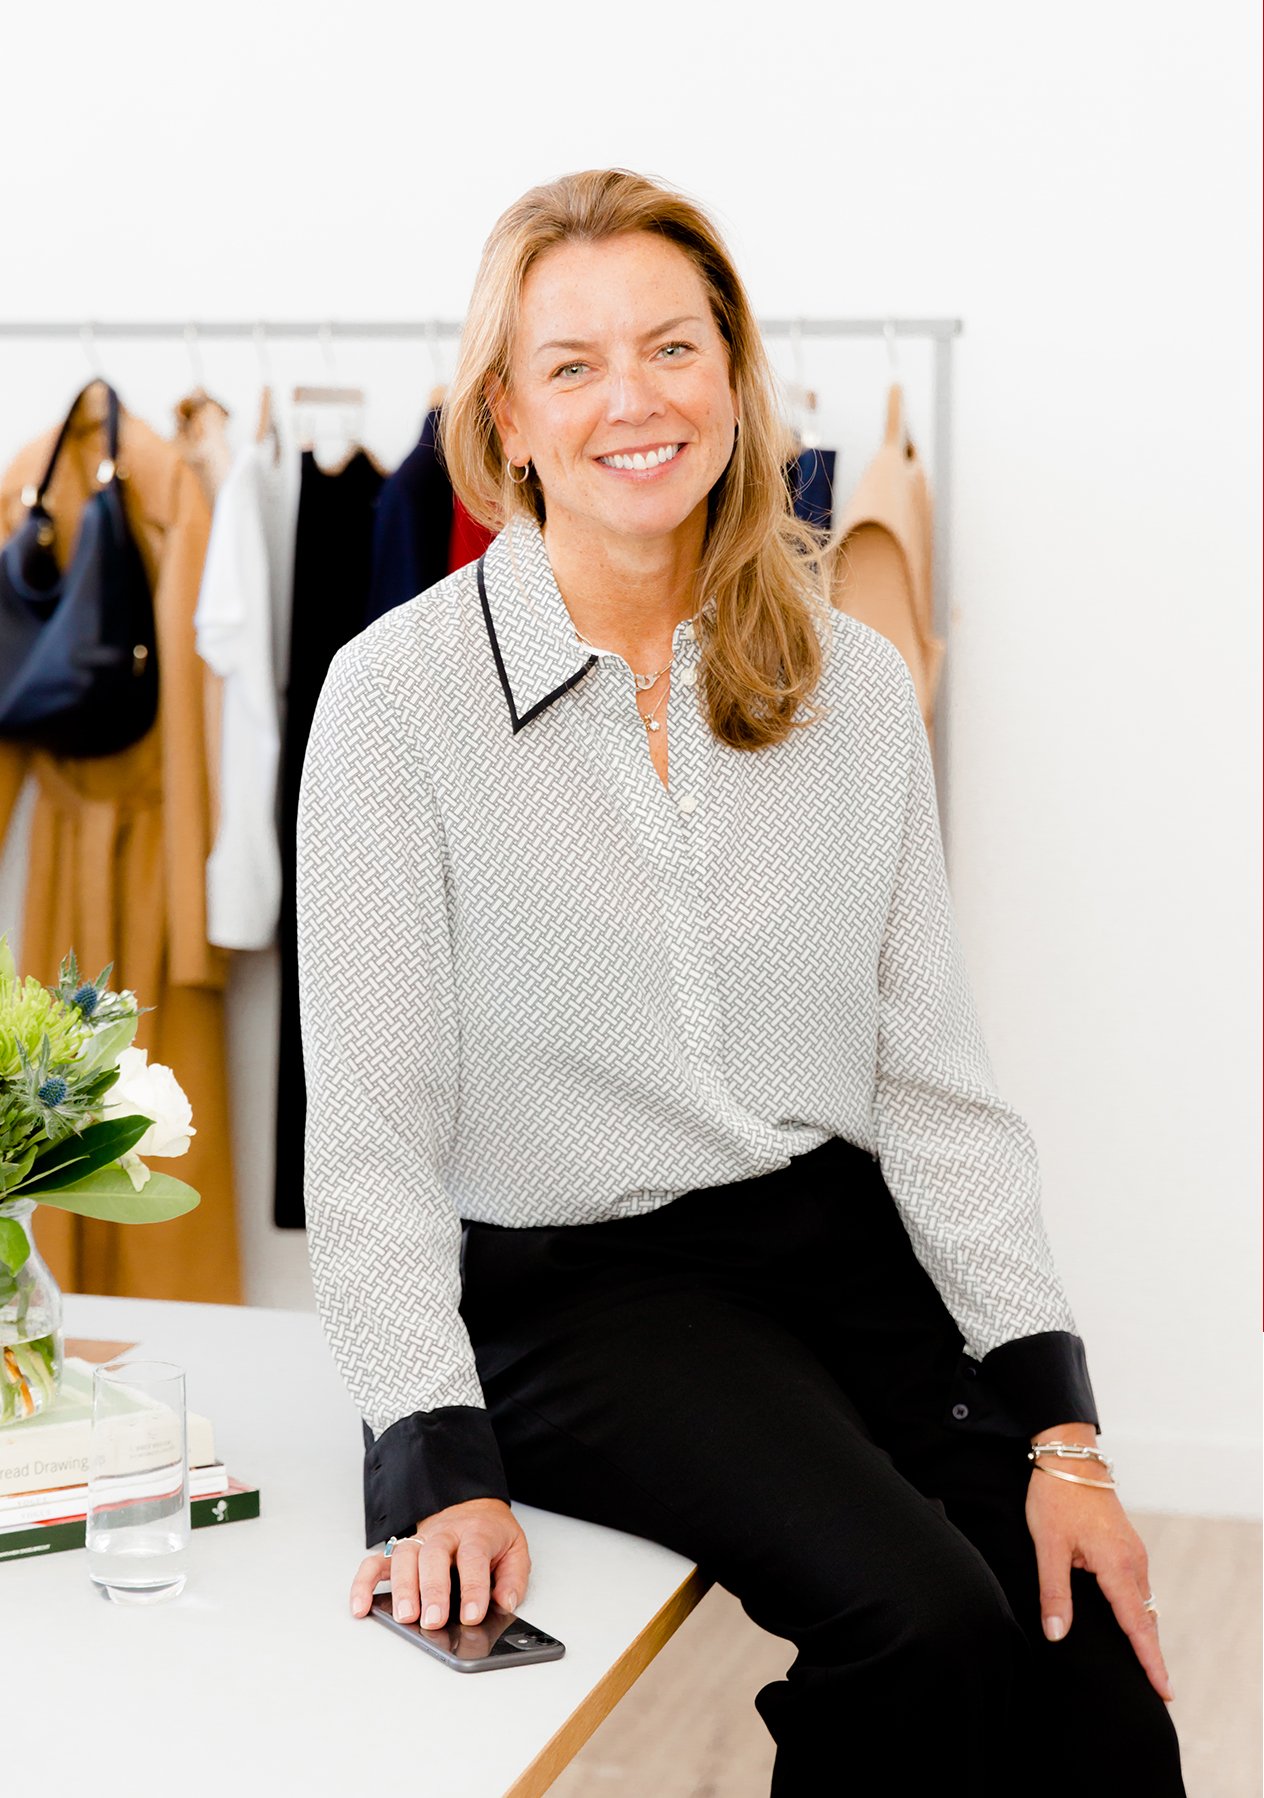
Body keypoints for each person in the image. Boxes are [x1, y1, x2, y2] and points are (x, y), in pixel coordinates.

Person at [295, 167, 1186, 1791]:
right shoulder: (393, 701)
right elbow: (368, 1135)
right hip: (579, 1293)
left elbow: (934, 1085)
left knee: (1094, 1666)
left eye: (673, 348)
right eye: (572, 364)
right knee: (922, 1625)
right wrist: (433, 1458)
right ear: (504, 414)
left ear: (733, 374)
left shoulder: (846, 679)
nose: (633, 399)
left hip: (829, 1251)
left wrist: (1065, 1435)